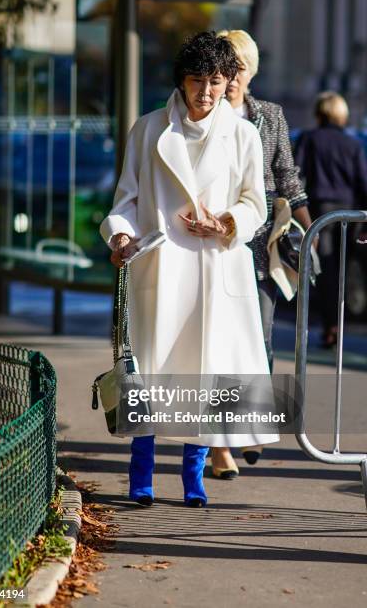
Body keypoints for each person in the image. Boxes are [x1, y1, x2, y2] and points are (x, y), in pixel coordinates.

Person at [100, 31, 277, 508]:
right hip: (160, 266)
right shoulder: (149, 128)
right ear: (181, 81)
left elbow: (255, 205)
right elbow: (126, 200)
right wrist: (119, 234)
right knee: (152, 372)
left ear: (229, 82)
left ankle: (194, 475)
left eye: (216, 81)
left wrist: (225, 222)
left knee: (206, 372)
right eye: (197, 79)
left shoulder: (243, 134)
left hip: (215, 267)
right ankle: (141, 472)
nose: (206, 91)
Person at [210, 29, 313, 478]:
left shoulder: (269, 116)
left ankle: (249, 424)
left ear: (251, 72)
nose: (232, 79)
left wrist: (312, 233)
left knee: (261, 339)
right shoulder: (205, 114)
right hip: (214, 238)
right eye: (225, 69)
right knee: (216, 346)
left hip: (261, 243)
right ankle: (218, 447)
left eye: (240, 70)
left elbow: (287, 176)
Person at [295, 91, 367, 348]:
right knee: (343, 269)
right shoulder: (353, 145)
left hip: (317, 214)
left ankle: (330, 325)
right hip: (347, 216)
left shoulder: (309, 139)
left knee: (324, 270)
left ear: (319, 112)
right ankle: (337, 323)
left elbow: (295, 177)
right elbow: (363, 184)